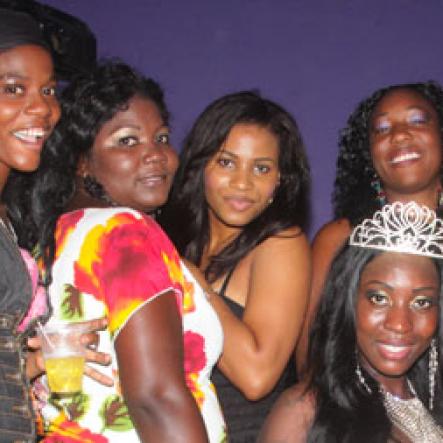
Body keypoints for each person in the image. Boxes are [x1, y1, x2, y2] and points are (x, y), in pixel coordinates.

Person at [10, 60, 225, 442]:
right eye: (127, 141)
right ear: (82, 162)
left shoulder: (54, 237)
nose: (156, 154)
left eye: (161, 137)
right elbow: (156, 399)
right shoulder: (125, 231)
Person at [160, 91, 311, 442]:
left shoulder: (279, 244)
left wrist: (194, 282)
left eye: (261, 168)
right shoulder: (175, 242)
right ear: (201, 167)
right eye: (227, 162)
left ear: (280, 180)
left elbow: (257, 376)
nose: (243, 183)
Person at [260, 201, 443, 443]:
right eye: (379, 298)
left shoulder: (431, 400)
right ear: (349, 300)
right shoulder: (305, 411)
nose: (400, 324)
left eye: (421, 302)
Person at [296, 81, 443, 374]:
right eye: (382, 128)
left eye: (417, 120)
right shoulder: (339, 239)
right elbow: (311, 362)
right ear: (368, 152)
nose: (400, 134)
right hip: (362, 413)